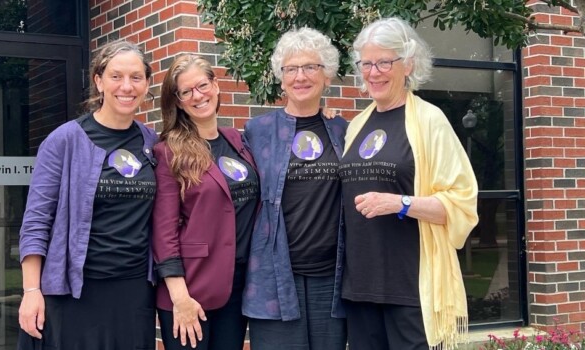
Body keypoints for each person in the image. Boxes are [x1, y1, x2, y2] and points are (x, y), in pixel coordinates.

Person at [338, 17, 479, 350]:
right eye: (367, 63)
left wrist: (400, 203)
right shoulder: (357, 124)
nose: (373, 72)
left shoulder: (430, 120)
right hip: (360, 287)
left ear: (408, 64)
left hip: (411, 288)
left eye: (384, 62)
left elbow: (461, 203)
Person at [17, 39, 158, 350]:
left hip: (133, 291)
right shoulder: (65, 140)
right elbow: (37, 220)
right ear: (99, 81)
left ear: (147, 83)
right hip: (74, 292)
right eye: (116, 76)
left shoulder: (152, 142)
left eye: (136, 77)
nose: (126, 86)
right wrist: (30, 291)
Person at [242, 27, 348, 350]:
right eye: (291, 69)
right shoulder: (257, 131)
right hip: (273, 281)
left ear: (326, 76)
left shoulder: (344, 131)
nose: (300, 76)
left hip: (331, 280)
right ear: (282, 77)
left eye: (310, 67)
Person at [153, 54, 260, 350]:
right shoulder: (169, 152)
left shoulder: (238, 142)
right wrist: (180, 297)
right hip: (192, 286)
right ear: (177, 101)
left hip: (238, 286)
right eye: (186, 92)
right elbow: (163, 233)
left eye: (202, 85)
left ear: (216, 85)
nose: (197, 96)